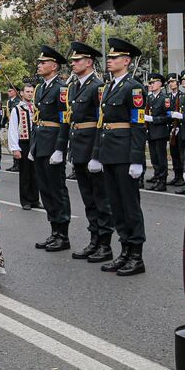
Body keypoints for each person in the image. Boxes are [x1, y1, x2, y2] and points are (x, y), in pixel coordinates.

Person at [92, 39, 148, 275]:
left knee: (130, 206)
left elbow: (138, 124)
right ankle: (124, 251)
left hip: (125, 153)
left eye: (115, 58)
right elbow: (102, 123)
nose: (109, 60)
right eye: (109, 57)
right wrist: (97, 154)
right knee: (116, 205)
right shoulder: (108, 88)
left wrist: (137, 159)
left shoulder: (133, 87)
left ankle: (136, 255)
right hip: (110, 153)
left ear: (126, 61)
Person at [64, 42, 112, 263]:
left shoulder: (98, 86)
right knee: (88, 199)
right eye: (72, 60)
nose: (73, 63)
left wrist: (97, 154)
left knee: (102, 198)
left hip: (92, 147)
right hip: (79, 148)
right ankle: (94, 240)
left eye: (77, 60)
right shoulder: (74, 86)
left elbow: (101, 123)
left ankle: (105, 244)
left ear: (89, 62)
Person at [31, 45, 72, 252]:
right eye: (39, 62)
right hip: (40, 142)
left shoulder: (61, 88)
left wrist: (60, 148)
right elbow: (37, 119)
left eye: (43, 62)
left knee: (57, 189)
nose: (39, 65)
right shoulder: (40, 88)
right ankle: (54, 230)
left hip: (53, 142)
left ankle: (63, 234)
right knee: (45, 190)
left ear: (54, 66)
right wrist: (33, 145)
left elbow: (65, 120)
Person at [7, 83, 39, 209]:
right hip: (24, 143)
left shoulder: (37, 108)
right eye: (27, 91)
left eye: (31, 92)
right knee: (25, 173)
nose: (30, 94)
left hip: (35, 143)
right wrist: (15, 148)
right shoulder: (17, 109)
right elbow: (13, 129)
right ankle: (25, 201)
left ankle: (35, 199)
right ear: (22, 93)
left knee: (35, 172)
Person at [144, 73, 172, 192]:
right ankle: (157, 177)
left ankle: (162, 181)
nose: (151, 85)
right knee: (154, 157)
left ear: (160, 84)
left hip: (160, 132)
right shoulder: (150, 98)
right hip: (151, 132)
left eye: (153, 82)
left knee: (161, 158)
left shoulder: (164, 98)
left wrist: (153, 119)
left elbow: (168, 116)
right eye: (150, 83)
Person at [165, 74, 185, 187]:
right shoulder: (167, 97)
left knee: (181, 152)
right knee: (173, 153)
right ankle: (176, 176)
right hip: (171, 127)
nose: (171, 84)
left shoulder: (182, 96)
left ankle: (182, 176)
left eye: (173, 81)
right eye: (169, 82)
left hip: (180, 127)